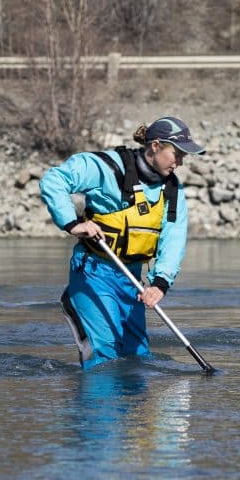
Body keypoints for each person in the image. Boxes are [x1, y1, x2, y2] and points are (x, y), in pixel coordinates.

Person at [40, 116, 205, 369]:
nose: (180, 162)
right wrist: (73, 224)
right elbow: (54, 180)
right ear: (156, 146)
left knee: (136, 357)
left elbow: (174, 239)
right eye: (177, 154)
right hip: (94, 272)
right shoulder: (106, 167)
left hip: (132, 278)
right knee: (105, 355)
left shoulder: (172, 189)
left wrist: (160, 284)